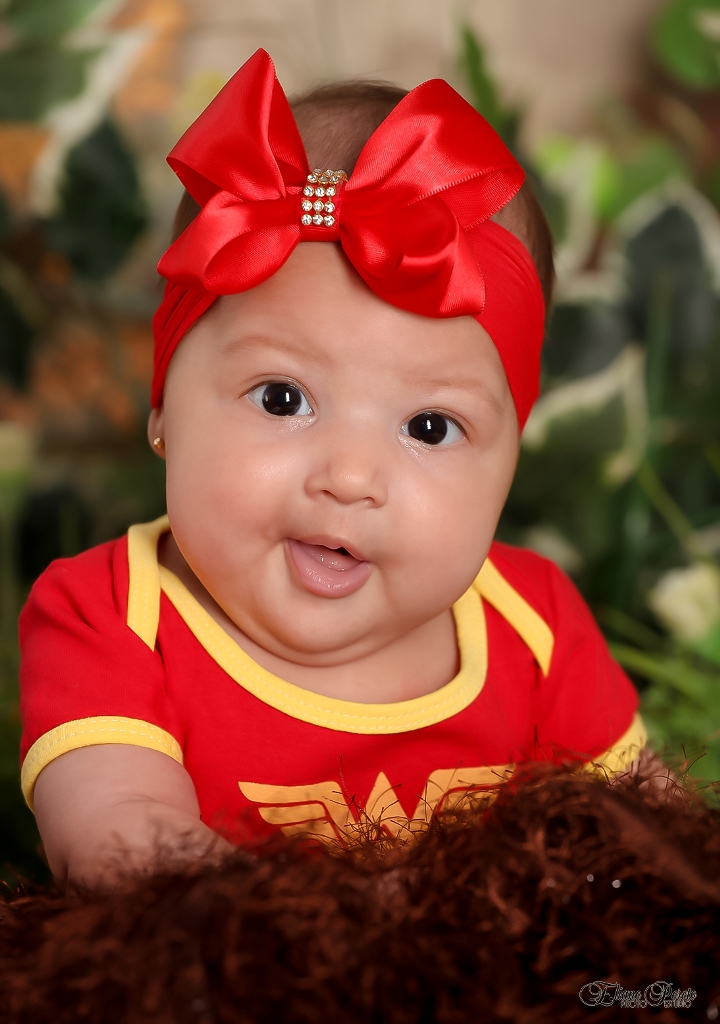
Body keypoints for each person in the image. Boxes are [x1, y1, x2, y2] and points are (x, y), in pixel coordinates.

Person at [18, 49, 647, 891]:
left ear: (506, 466)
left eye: (430, 427)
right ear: (164, 406)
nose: (350, 478)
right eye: (282, 399)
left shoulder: (535, 626)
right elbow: (119, 837)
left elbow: (646, 839)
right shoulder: (113, 616)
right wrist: (339, 923)